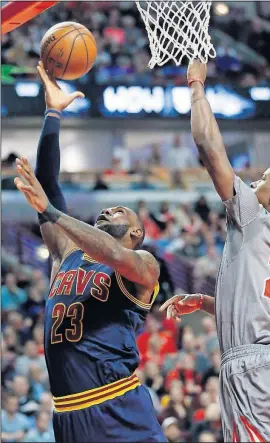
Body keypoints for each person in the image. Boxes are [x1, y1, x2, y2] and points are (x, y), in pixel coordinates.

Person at [160, 60, 270, 442]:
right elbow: (257, 303)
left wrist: (196, 85)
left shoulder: (255, 218)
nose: (252, 183)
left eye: (261, 179)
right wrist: (208, 301)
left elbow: (208, 147)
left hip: (254, 370)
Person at [13, 61, 166, 443]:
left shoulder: (142, 265)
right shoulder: (68, 251)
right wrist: (52, 113)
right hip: (66, 413)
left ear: (136, 231)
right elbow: (48, 184)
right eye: (105, 209)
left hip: (117, 405)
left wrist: (50, 211)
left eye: (118, 211)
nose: (106, 211)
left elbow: (117, 257)